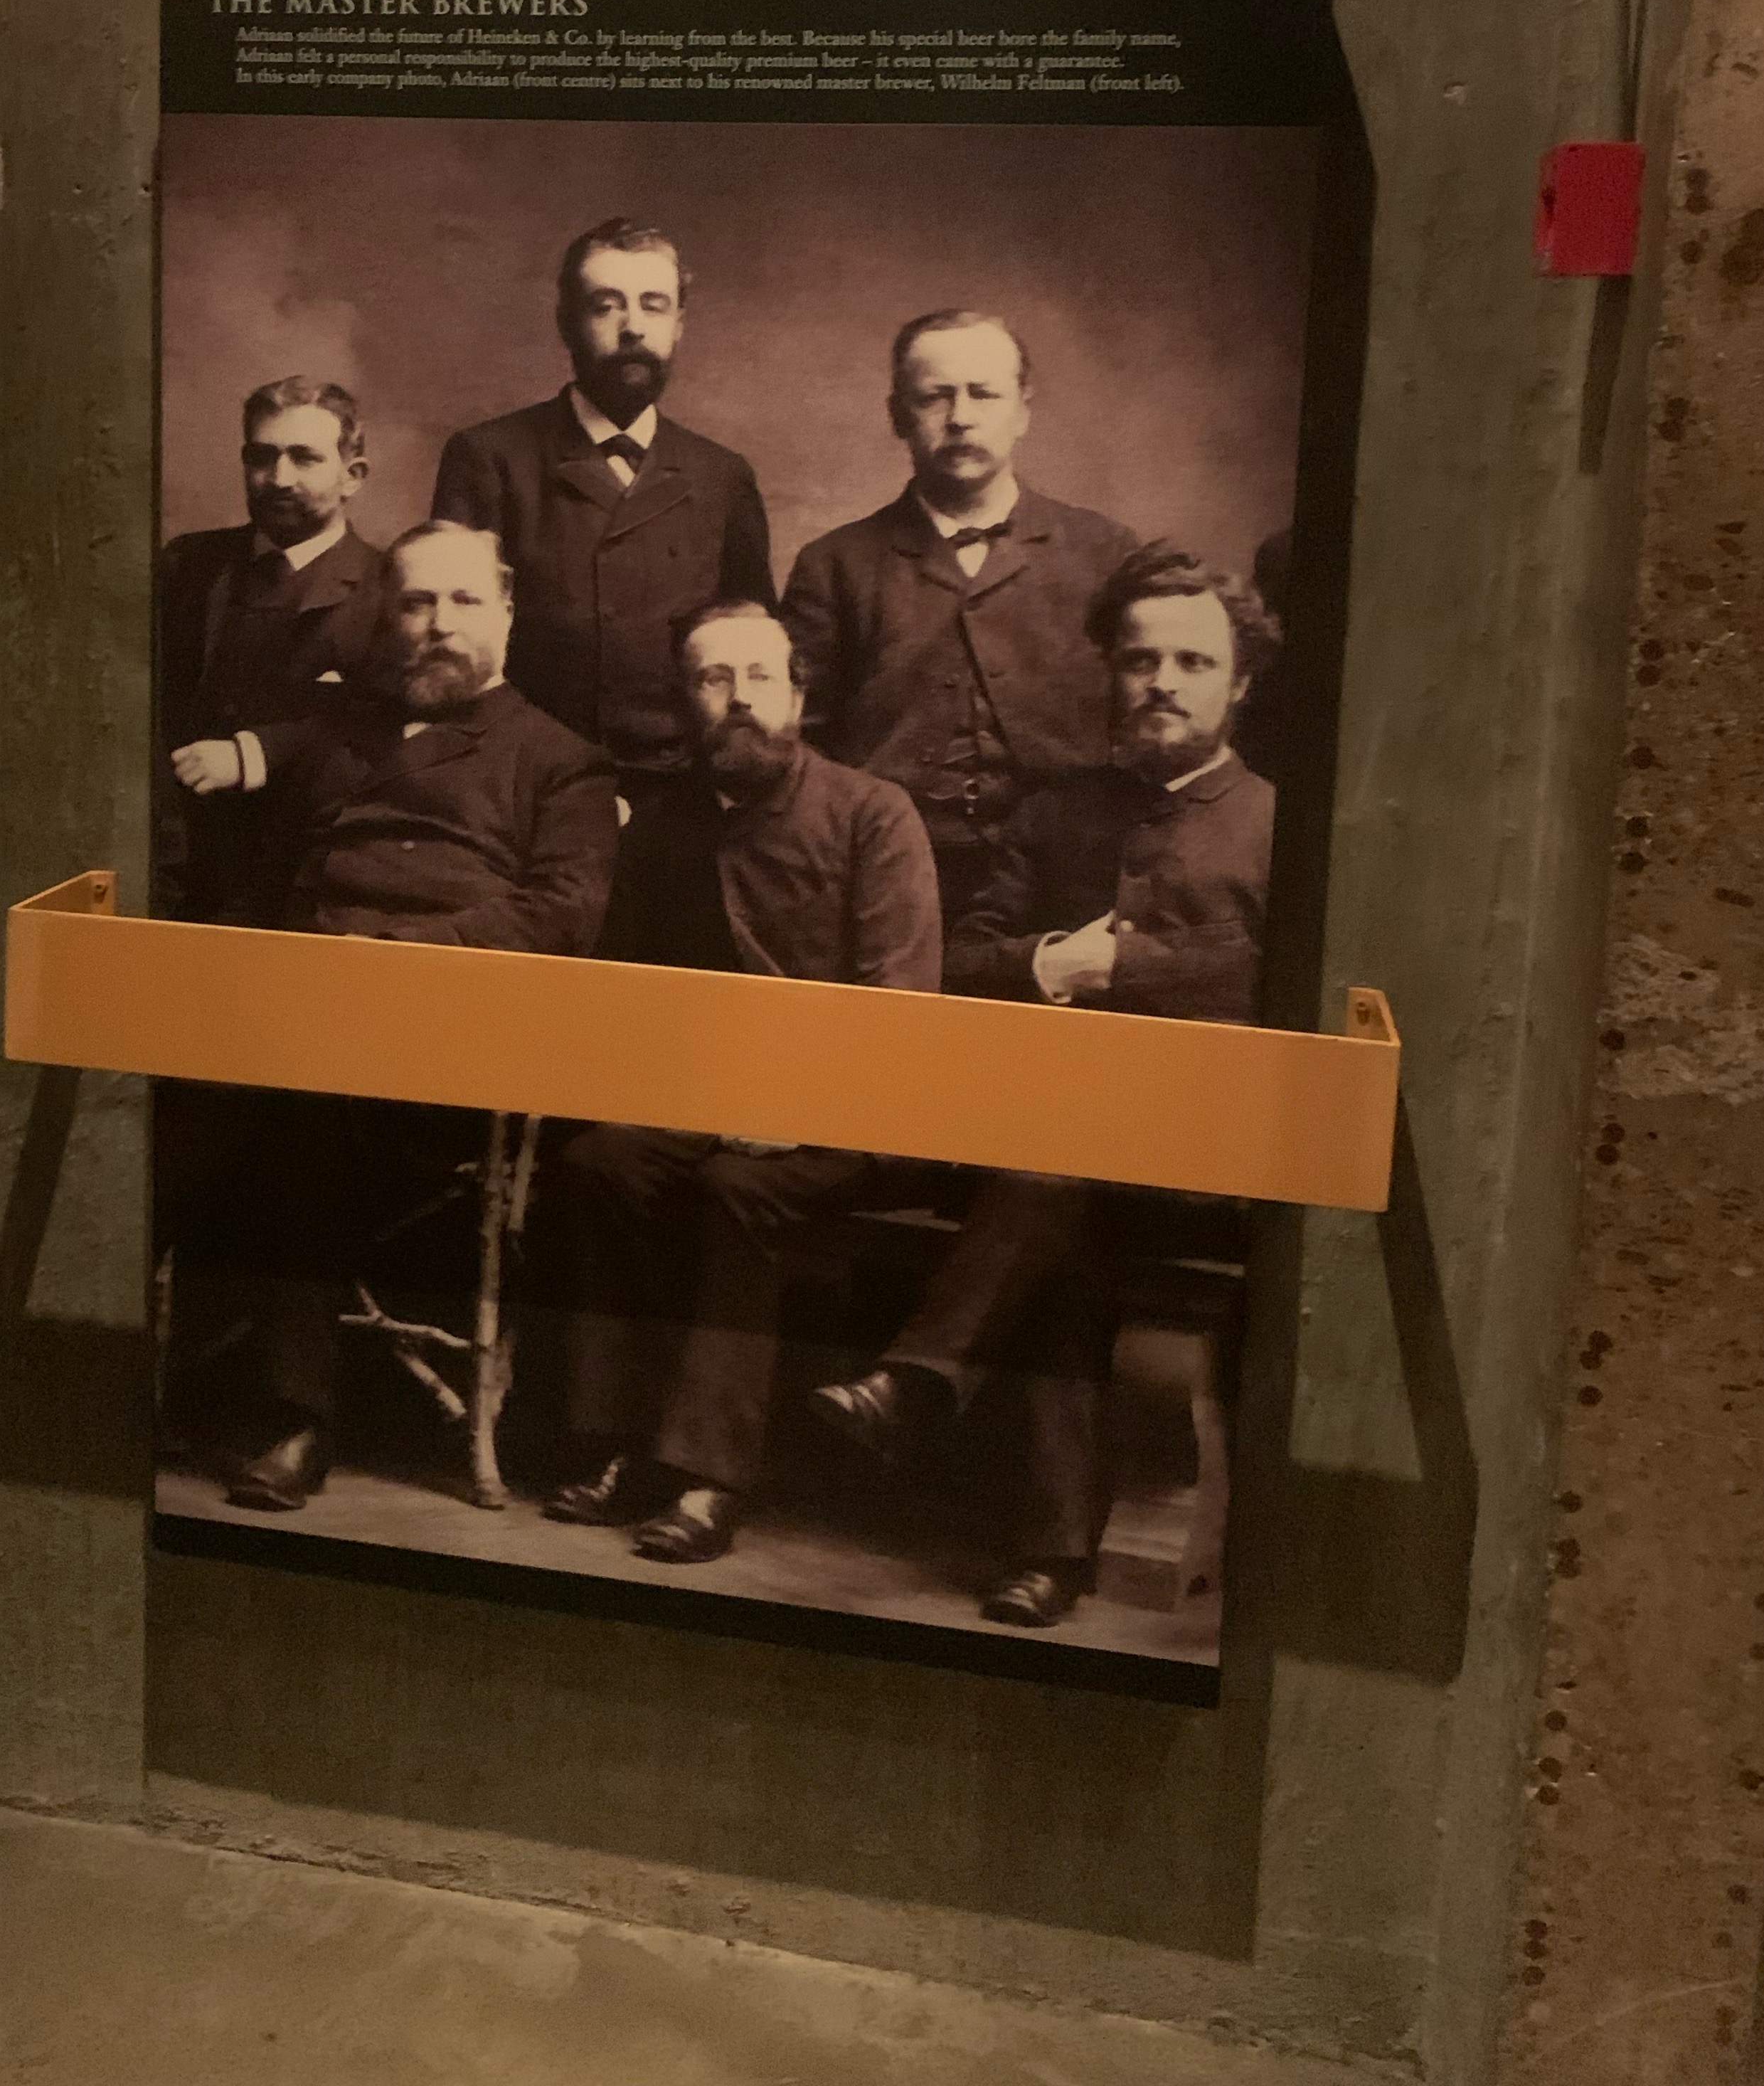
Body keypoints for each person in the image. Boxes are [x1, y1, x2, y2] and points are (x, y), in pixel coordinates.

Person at [809, 542, 1278, 1628]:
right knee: (1062, 1214)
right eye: (1140, 660)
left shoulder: (1278, 825)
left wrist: (1133, 970)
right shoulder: (1057, 811)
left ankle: (916, 1382)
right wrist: (1047, 965)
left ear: (1241, 681)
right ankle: (1049, 1559)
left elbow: (1279, 985)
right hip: (1049, 1162)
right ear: (1110, 670)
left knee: (1055, 1179)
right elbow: (958, 960)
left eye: (1193, 663)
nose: (1162, 683)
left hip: (1207, 1156)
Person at [197, 522, 619, 1513]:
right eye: (418, 602)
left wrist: (396, 960)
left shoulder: (563, 762)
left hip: (453, 1046)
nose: (438, 624)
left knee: (298, 1114)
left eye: (464, 601)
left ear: (507, 613)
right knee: (161, 1097)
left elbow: (561, 916)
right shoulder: (341, 735)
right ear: (388, 617)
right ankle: (115, 1376)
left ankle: (298, 1418)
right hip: (300, 1010)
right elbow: (270, 886)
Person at [541, 600, 940, 1567]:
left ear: (799, 694)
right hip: (704, 1106)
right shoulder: (661, 829)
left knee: (737, 1187)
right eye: (713, 680)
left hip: (856, 1118)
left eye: (760, 676)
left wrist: (796, 1108)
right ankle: (616, 1442)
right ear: (685, 703)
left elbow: (900, 1012)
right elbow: (627, 1000)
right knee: (599, 1165)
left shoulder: (872, 814)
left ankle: (707, 1476)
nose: (740, 699)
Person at [780, 310, 1137, 931]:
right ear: (898, 415)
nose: (961, 417)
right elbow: (799, 743)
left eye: (984, 394)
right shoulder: (834, 565)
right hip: (891, 866)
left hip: (1073, 868)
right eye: (935, 397)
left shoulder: (1105, 551)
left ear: (1023, 411)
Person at [430, 218, 774, 804]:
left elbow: (754, 644)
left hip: (681, 793)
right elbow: (451, 640)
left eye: (653, 305)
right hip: (525, 785)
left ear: (679, 324)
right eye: (606, 305)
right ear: (567, 322)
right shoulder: (489, 458)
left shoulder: (724, 475)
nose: (633, 326)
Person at [156, 374, 388, 926]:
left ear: (352, 476)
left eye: (305, 458)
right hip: (176, 856)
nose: (279, 479)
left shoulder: (388, 587)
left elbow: (385, 723)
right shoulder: (189, 564)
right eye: (262, 457)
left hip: (308, 866)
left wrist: (256, 752)